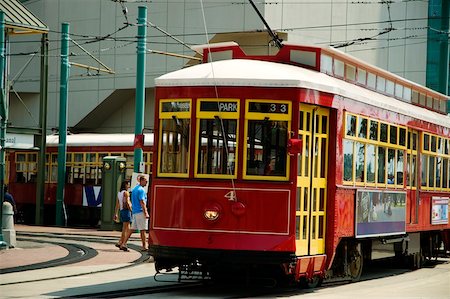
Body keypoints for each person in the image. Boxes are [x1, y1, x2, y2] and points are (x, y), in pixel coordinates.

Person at [124, 176, 149, 251]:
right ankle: (144, 246)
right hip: (140, 211)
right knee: (143, 229)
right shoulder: (141, 190)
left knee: (132, 229)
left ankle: (123, 243)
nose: (147, 182)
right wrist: (146, 212)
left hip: (135, 212)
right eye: (145, 180)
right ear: (141, 181)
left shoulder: (134, 189)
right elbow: (142, 202)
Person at [113, 181, 131, 251]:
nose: (129, 186)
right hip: (126, 211)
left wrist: (116, 213)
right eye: (128, 185)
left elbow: (117, 204)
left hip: (122, 211)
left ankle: (122, 242)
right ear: (125, 185)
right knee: (125, 228)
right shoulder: (126, 193)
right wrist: (131, 209)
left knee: (127, 228)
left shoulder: (119, 193)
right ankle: (122, 243)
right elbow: (127, 202)